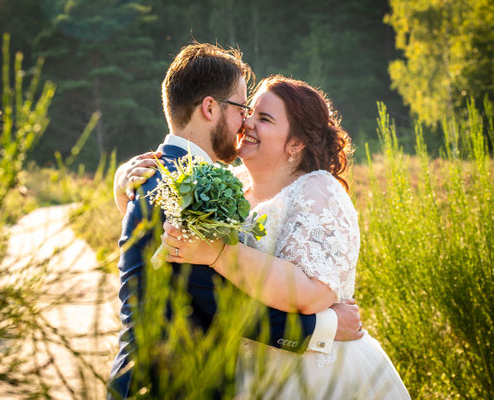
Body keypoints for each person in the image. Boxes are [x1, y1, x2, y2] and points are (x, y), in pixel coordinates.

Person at [108, 43, 363, 399]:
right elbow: (222, 303)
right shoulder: (177, 189)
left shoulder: (174, 180)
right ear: (210, 108)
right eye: (244, 109)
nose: (246, 122)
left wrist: (122, 186)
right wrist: (325, 326)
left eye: (260, 116)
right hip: (167, 386)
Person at [156, 76, 411, 398]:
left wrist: (218, 253)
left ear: (296, 143)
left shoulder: (318, 191)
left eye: (265, 119)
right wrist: (124, 188)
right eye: (250, 112)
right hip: (241, 369)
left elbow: (311, 294)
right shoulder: (228, 183)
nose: (247, 122)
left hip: (311, 374)